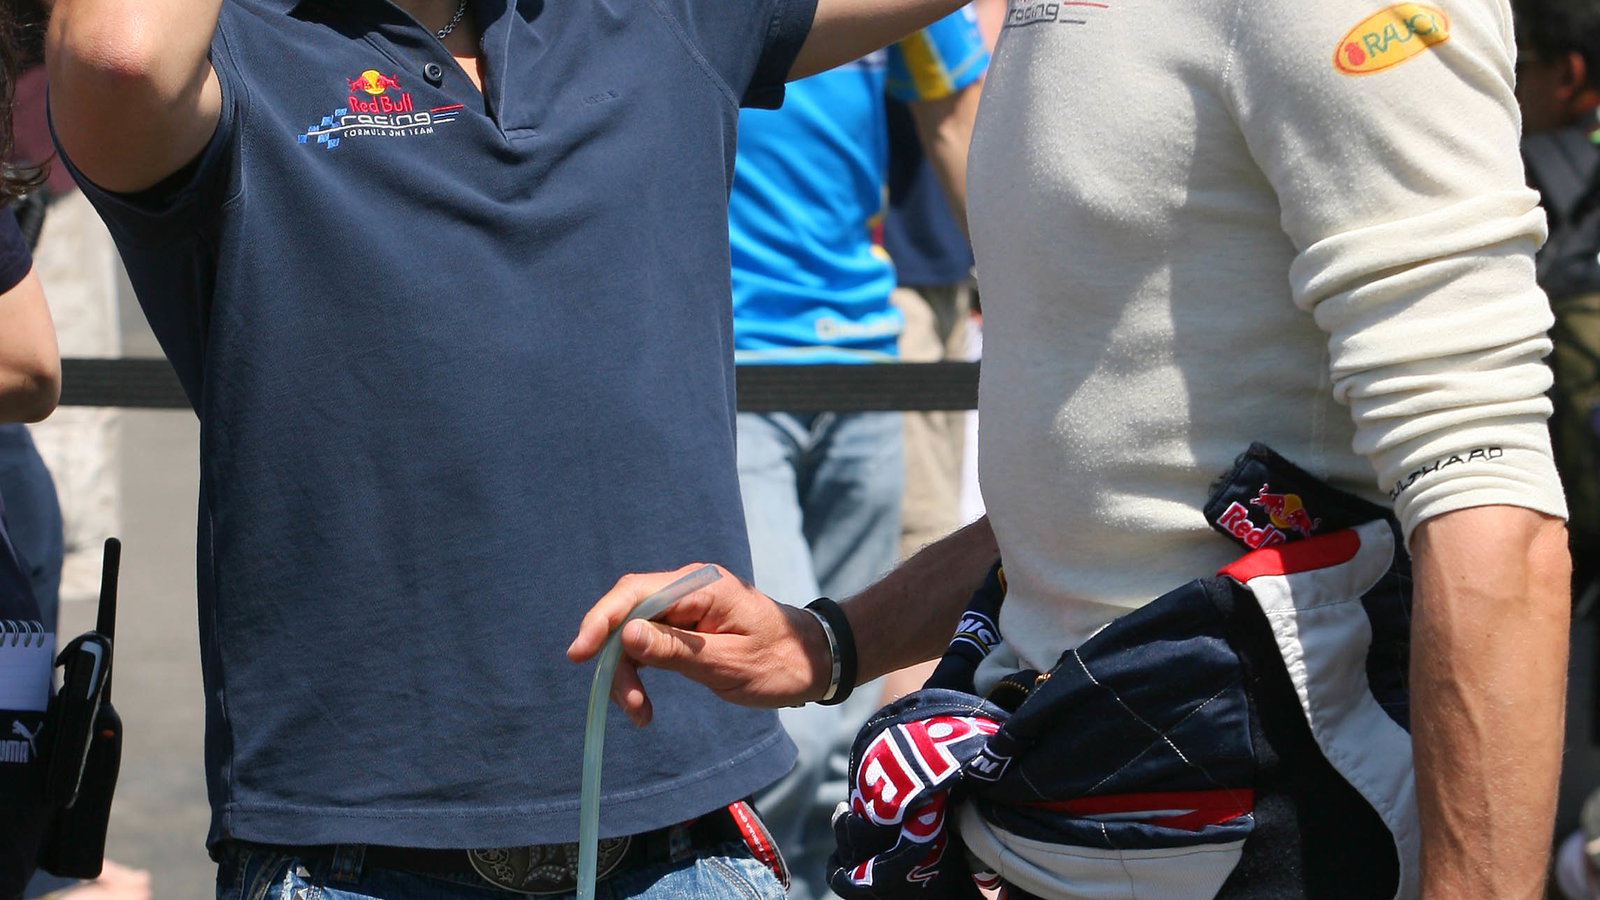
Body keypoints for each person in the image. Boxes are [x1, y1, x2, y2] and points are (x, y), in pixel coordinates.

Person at [571, 0, 1573, 896]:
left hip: (1277, 822)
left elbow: (1492, 509)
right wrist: (831, 641)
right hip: (1054, 802)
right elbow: (1101, 470)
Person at [44, 1, 970, 899]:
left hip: (683, 852)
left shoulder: (658, 15)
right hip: (353, 861)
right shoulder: (239, 44)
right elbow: (120, 55)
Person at [727, 14, 986, 897]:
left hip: (864, 353)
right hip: (728, 362)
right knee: (785, 727)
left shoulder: (913, 17)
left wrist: (1022, 288)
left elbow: (954, 120)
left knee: (844, 703)